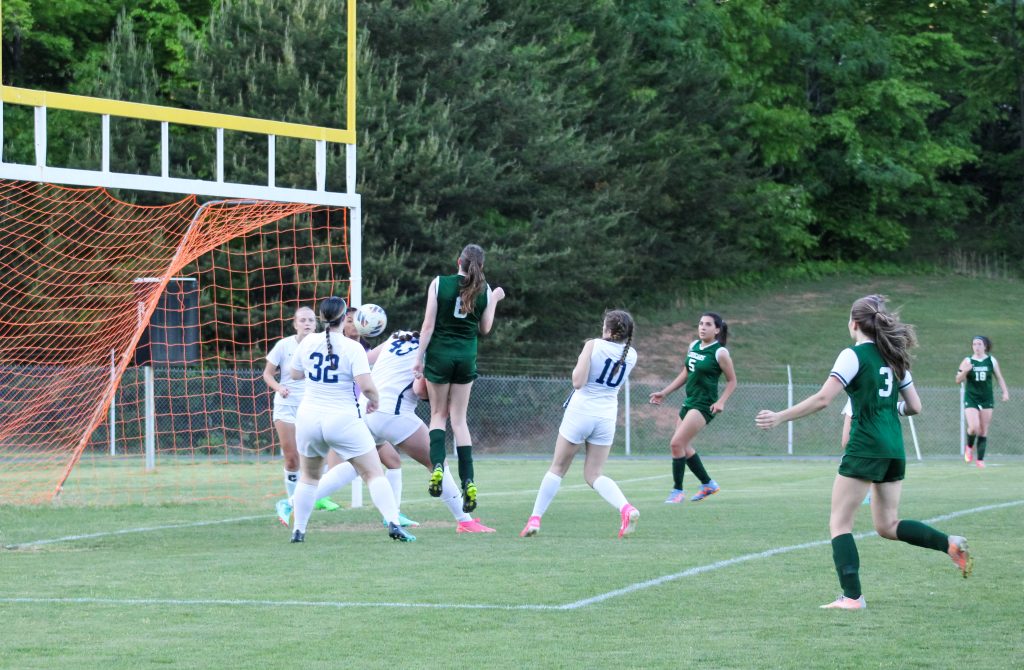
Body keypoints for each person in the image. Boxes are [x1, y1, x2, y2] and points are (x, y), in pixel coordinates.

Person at [756, 294, 973, 610]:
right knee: (887, 525)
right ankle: (949, 543)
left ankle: (852, 597)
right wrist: (886, 407)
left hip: (866, 446)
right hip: (894, 449)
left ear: (854, 323)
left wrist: (780, 416)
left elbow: (822, 399)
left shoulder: (852, 354)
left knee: (839, 523)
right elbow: (915, 406)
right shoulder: (894, 357)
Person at [314, 328, 497, 533]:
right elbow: (419, 389)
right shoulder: (435, 347)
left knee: (359, 466)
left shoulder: (398, 335)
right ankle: (465, 521)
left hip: (366, 407)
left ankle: (297, 501)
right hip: (393, 412)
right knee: (436, 462)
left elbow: (365, 359)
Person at [285, 296, 414, 543]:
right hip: (342, 418)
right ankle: (394, 523)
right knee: (374, 472)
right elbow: (366, 386)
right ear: (344, 318)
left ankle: (299, 531)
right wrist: (375, 400)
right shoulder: (352, 347)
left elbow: (294, 373)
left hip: (309, 418)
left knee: (309, 477)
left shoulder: (309, 341)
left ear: (321, 317)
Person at [520, 310, 640, 539]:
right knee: (594, 474)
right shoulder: (631, 354)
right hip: (606, 416)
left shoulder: (593, 345)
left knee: (557, 468)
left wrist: (585, 353)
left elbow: (578, 382)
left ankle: (535, 519)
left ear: (608, 329)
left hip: (582, 411)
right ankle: (626, 508)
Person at [412, 244, 505, 513]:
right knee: (460, 420)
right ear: (481, 266)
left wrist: (419, 357)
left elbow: (428, 326)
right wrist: (495, 299)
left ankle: (438, 466)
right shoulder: (484, 290)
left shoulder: (440, 283)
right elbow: (485, 328)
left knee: (438, 415)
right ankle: (469, 482)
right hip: (466, 357)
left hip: (440, 355)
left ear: (458, 262)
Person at [649, 312, 737, 503]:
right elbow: (686, 373)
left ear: (717, 330)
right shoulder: (693, 346)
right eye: (700, 324)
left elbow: (732, 381)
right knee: (683, 446)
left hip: (704, 405)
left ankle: (677, 491)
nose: (703, 327)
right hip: (689, 402)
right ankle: (707, 484)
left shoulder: (720, 352)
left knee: (676, 444)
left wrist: (721, 401)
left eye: (708, 324)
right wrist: (665, 392)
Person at [262, 306, 339, 522]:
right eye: (302, 320)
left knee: (319, 454)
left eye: (311, 321)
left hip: (314, 406)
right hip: (287, 407)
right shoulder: (284, 345)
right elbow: (267, 374)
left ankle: (316, 497)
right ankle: (291, 504)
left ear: (316, 324)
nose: (307, 324)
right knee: (292, 458)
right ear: (295, 324)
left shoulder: (324, 344)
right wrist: (279, 388)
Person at [955, 335, 1010, 468]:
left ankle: (980, 460)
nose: (976, 347)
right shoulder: (967, 361)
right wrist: (965, 372)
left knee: (983, 430)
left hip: (986, 398)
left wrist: (1005, 391)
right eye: (974, 344)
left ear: (985, 346)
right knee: (973, 427)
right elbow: (958, 380)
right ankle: (969, 447)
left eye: (979, 344)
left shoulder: (991, 360)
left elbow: (999, 377)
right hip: (972, 397)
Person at [840, 399, 871, 506]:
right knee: (888, 521)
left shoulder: (857, 391)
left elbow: (846, 441)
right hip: (893, 451)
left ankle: (866, 495)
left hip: (864, 455)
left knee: (839, 520)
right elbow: (914, 407)